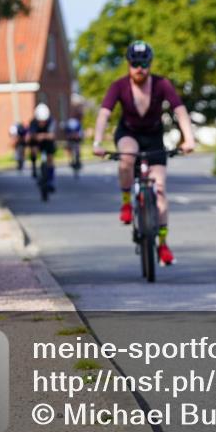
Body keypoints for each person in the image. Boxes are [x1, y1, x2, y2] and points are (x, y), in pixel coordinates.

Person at [91, 41, 197, 266]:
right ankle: (127, 202)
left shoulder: (162, 84)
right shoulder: (118, 86)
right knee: (127, 156)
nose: (139, 69)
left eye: (144, 64)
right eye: (135, 64)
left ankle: (163, 244)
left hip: (153, 138)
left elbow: (179, 110)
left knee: (159, 191)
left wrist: (189, 138)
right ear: (129, 64)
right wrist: (97, 142)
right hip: (128, 134)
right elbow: (104, 114)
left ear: (150, 64)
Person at [27, 103, 57, 192]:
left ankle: (51, 180)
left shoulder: (51, 121)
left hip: (47, 142)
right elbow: (31, 135)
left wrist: (42, 136)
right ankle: (34, 168)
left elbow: (52, 135)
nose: (42, 123)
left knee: (50, 159)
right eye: (40, 121)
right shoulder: (33, 122)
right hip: (36, 142)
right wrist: (36, 137)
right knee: (33, 150)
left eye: (44, 121)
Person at [65, 94, 85, 170]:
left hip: (77, 135)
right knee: (69, 146)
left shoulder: (78, 120)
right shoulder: (69, 120)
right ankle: (70, 160)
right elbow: (67, 130)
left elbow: (80, 130)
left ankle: (78, 158)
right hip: (70, 136)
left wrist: (78, 135)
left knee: (78, 146)